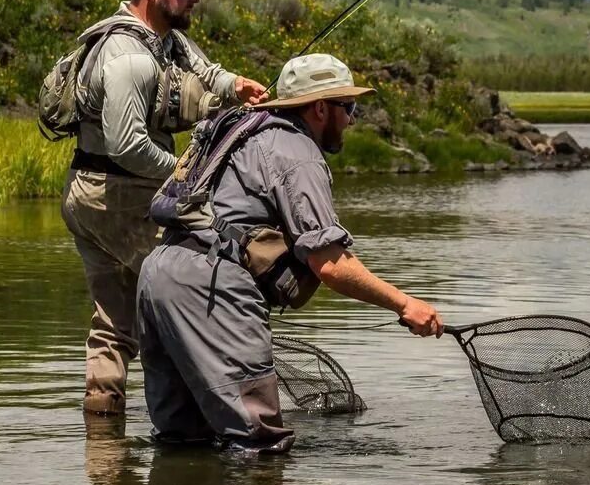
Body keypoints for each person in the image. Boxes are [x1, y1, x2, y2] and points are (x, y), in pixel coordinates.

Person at [135, 53, 443, 452]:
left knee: (182, 441)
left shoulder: (242, 128)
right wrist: (405, 304)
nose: (352, 118)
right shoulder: (295, 149)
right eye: (348, 107)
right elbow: (329, 263)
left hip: (159, 271)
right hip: (210, 286)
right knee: (258, 443)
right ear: (319, 108)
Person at [61, 0, 268, 416]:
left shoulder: (166, 39)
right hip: (113, 195)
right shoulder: (127, 57)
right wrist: (184, 174)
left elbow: (205, 71)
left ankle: (104, 448)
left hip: (92, 193)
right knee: (190, 286)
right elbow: (127, 145)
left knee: (114, 321)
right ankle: (203, 419)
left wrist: (237, 87)